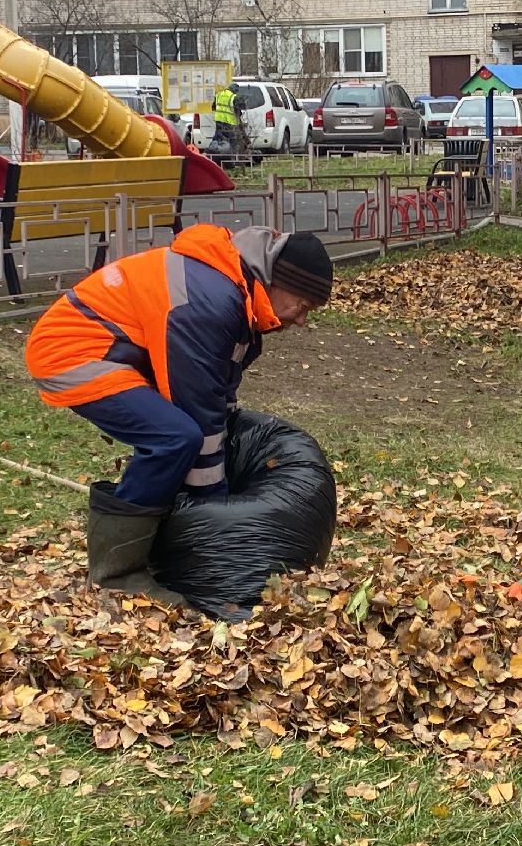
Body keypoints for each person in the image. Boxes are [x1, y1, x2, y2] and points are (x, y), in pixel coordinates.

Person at [24, 225, 335, 605]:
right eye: (302, 305)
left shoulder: (236, 292)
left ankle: (155, 536)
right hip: (75, 352)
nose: (301, 319)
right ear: (276, 282)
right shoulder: (212, 300)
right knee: (174, 437)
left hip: (119, 349)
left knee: (181, 434)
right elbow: (198, 407)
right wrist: (214, 514)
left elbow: (219, 390)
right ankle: (118, 573)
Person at [212, 82, 241, 155]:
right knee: (232, 139)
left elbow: (213, 107)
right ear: (235, 90)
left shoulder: (219, 94)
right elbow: (237, 110)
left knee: (217, 137)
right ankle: (232, 155)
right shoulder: (233, 97)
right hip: (229, 121)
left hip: (218, 120)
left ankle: (213, 152)